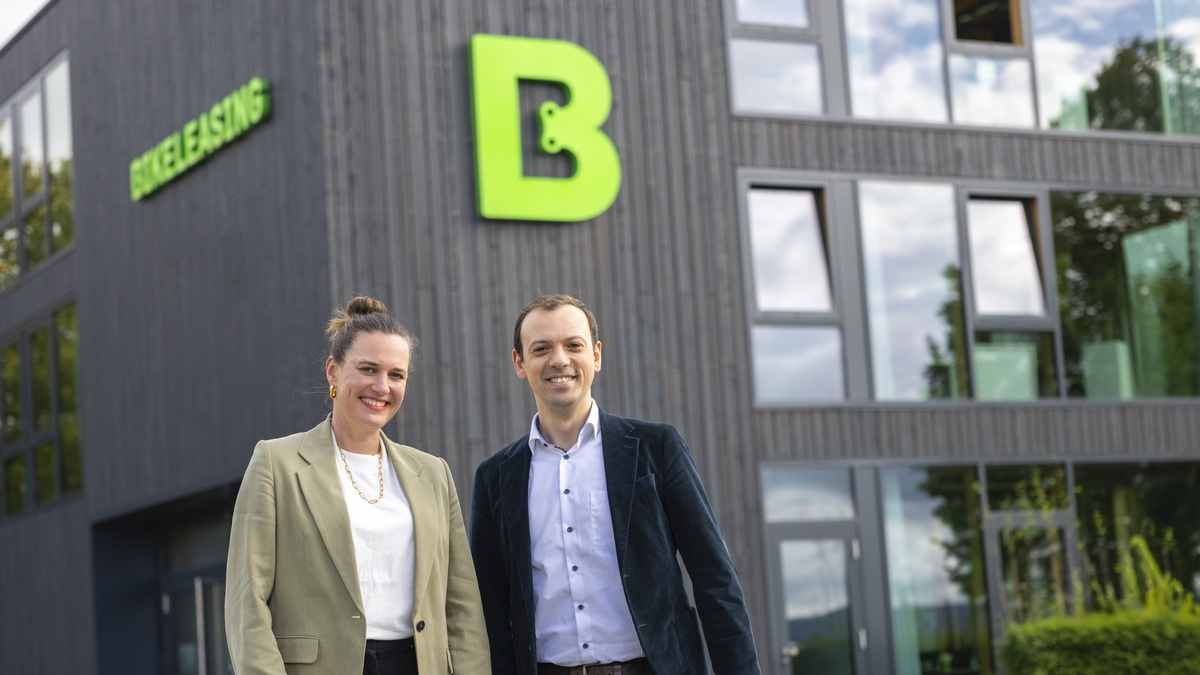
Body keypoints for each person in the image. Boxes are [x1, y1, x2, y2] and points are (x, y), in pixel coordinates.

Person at [469, 294, 762, 675]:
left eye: (573, 345)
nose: (560, 360)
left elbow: (715, 579)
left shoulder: (656, 448)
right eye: (541, 349)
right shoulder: (495, 477)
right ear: (519, 363)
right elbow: (489, 610)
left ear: (596, 356)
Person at [225, 296, 490, 675]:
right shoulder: (275, 463)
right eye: (368, 369)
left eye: (397, 375)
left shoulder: (433, 473)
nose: (382, 387)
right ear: (333, 371)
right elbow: (246, 603)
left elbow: (462, 606)